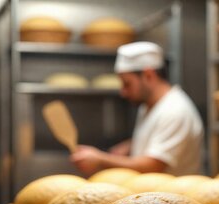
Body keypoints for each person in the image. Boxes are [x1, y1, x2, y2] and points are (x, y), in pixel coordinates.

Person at [70, 41, 204, 176]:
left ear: (148, 75)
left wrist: (101, 159)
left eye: (127, 84)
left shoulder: (175, 111)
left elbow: (153, 166)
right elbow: (157, 133)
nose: (123, 92)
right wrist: (131, 145)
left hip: (173, 195)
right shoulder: (149, 105)